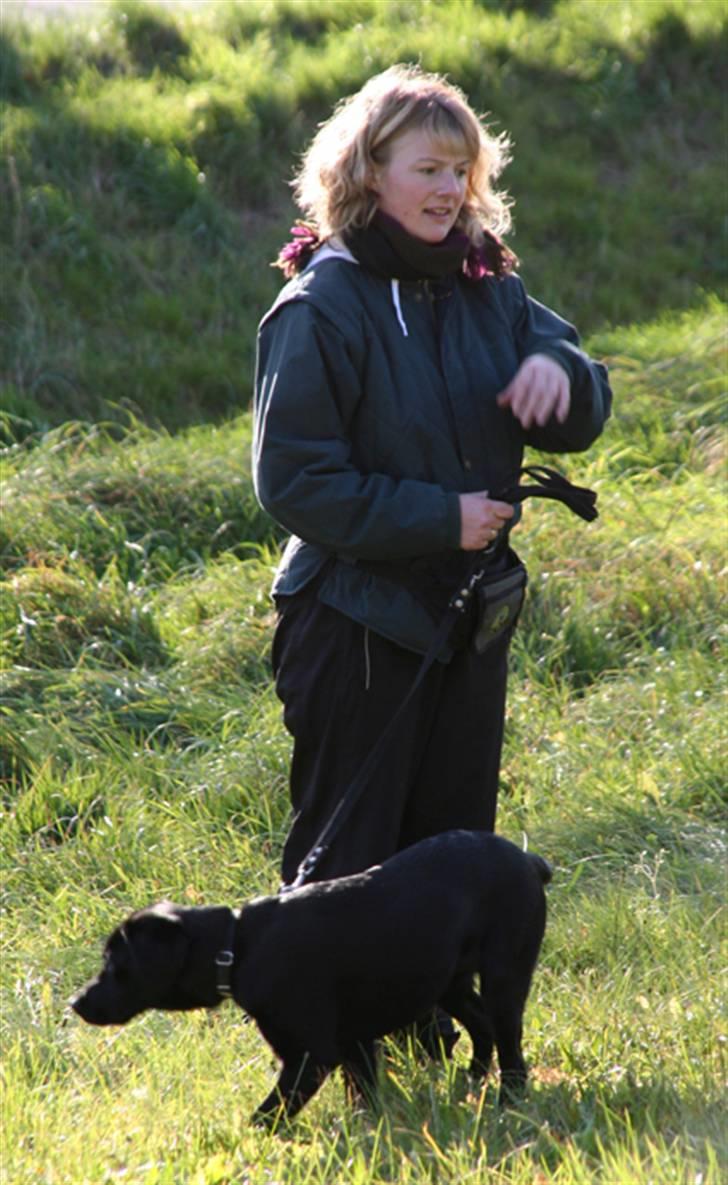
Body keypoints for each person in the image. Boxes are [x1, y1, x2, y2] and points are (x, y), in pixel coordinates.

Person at [253, 64, 611, 895]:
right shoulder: (320, 306)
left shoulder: (487, 285)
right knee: (348, 875)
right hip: (354, 627)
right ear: (368, 172)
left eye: (461, 170)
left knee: (452, 861)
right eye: (428, 169)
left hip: (468, 617)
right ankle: (327, 994)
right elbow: (294, 480)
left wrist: (557, 370)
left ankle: (436, 992)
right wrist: (442, 518)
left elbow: (576, 379)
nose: (451, 191)